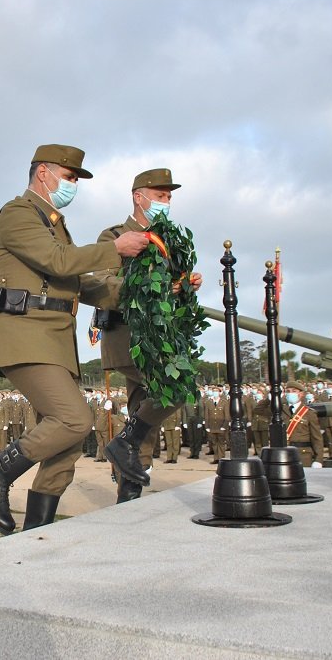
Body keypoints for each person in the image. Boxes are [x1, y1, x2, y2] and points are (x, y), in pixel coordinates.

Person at [0, 143, 149, 535]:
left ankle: (35, 533)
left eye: (76, 180)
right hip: (26, 336)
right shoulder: (18, 214)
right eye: (69, 177)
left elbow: (81, 284)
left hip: (55, 342)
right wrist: (114, 250)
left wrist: (147, 290)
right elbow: (58, 262)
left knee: (65, 448)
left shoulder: (53, 223)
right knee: (73, 420)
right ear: (43, 173)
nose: (73, 186)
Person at [95, 169, 202, 502]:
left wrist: (185, 287)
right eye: (160, 196)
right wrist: (150, 290)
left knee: (146, 412)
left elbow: (171, 296)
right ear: (138, 197)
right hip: (129, 339)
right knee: (178, 386)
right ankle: (123, 444)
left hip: (163, 338)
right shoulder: (115, 236)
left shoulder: (170, 240)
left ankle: (129, 494)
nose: (166, 202)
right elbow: (102, 282)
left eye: (169, 197)